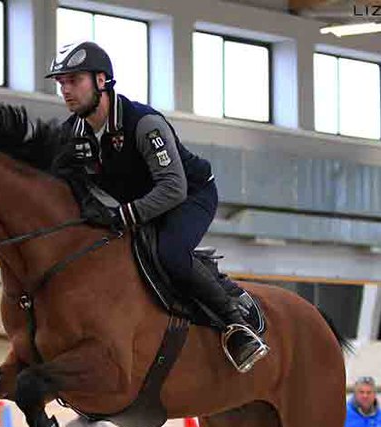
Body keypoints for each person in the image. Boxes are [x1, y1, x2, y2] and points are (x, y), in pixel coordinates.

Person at [45, 41, 269, 372]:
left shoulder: (144, 123)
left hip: (189, 196)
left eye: (74, 80)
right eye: (61, 82)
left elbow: (172, 188)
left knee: (170, 254)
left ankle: (235, 321)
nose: (66, 90)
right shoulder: (70, 135)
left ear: (102, 81)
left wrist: (120, 215)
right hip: (142, 204)